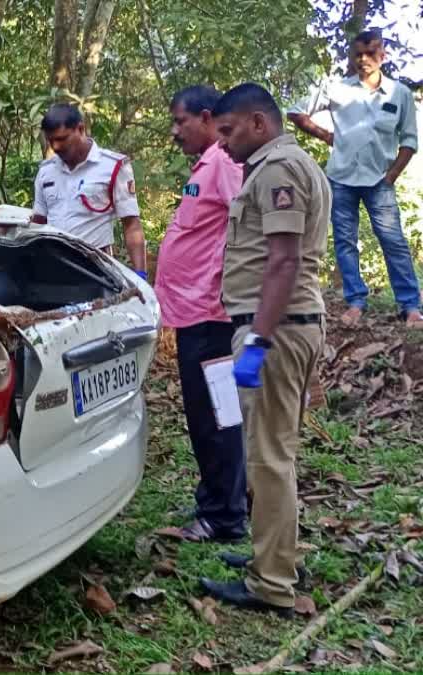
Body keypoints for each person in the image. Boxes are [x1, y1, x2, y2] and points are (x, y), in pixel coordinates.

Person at [200, 83, 329, 616]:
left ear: (259, 123)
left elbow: (283, 261)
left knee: (267, 458)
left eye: (228, 131)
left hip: (274, 327)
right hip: (288, 325)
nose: (223, 143)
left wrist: (257, 340)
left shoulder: (277, 170)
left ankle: (272, 583)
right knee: (278, 452)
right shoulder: (295, 164)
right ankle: (278, 553)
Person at [156, 85, 248, 543]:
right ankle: (227, 499)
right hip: (195, 314)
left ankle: (223, 515)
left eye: (180, 121)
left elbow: (247, 223)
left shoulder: (226, 164)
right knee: (217, 414)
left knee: (214, 417)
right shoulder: (208, 165)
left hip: (210, 315)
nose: (175, 131)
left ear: (207, 117)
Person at [288, 30, 421, 329]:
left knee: (393, 241)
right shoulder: (338, 88)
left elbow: (410, 141)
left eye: (371, 52)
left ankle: (411, 305)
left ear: (383, 55)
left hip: (379, 181)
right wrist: (326, 136)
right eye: (358, 53)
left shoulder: (398, 93)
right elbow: (295, 111)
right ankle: (356, 302)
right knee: (345, 242)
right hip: (341, 177)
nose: (364, 59)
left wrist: (392, 175)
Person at [31, 103, 147, 276]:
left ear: (81, 129)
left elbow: (131, 225)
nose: (56, 146)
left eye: (62, 139)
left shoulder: (113, 166)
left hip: (97, 269)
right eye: (51, 140)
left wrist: (140, 275)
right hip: (53, 265)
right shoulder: (46, 171)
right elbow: (38, 223)